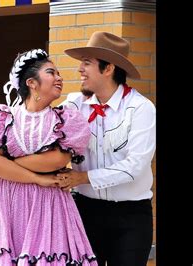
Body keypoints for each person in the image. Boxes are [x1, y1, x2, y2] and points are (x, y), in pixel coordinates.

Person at [0, 49, 97, 265]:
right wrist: (37, 178)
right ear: (32, 83)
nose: (59, 78)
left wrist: (6, 167)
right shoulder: (2, 118)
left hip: (48, 204)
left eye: (58, 73)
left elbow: (56, 160)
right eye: (51, 72)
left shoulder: (65, 119)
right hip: (6, 202)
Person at [58, 31, 156, 266]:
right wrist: (0, 161)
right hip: (85, 211)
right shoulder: (73, 104)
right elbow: (39, 129)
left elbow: (134, 167)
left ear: (108, 68)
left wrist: (82, 177)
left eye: (87, 63)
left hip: (131, 216)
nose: (80, 69)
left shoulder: (140, 108)